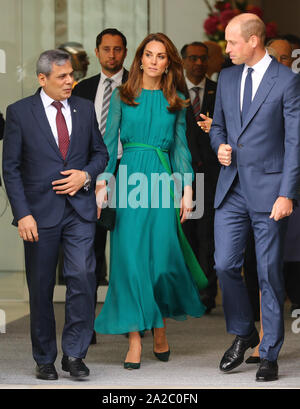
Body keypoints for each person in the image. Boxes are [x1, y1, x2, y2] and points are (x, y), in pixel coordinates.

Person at [94, 32, 207, 369]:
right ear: (140, 59)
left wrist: (187, 190)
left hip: (160, 183)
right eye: (149, 54)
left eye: (161, 56)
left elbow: (181, 149)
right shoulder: (121, 96)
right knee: (129, 262)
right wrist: (102, 183)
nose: (155, 61)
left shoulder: (177, 101)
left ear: (168, 62)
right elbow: (106, 142)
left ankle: (158, 324)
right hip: (129, 181)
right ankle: (134, 339)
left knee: (160, 262)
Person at [2, 49, 108, 380]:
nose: (70, 81)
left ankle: (74, 354)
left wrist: (85, 175)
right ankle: (45, 356)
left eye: (72, 75)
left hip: (79, 210)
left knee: (82, 278)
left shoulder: (85, 108)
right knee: (41, 286)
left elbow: (100, 153)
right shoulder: (19, 113)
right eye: (62, 76)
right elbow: (11, 169)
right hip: (38, 215)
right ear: (42, 78)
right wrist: (23, 215)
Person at [210, 13, 300, 382]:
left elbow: (295, 141)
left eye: (232, 42)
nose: (226, 49)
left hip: (270, 192)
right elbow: (217, 126)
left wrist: (287, 193)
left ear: (253, 41)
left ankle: (269, 351)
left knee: (267, 273)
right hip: (231, 188)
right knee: (224, 266)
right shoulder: (227, 77)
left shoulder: (287, 81)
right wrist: (219, 147)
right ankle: (245, 331)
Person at [73, 29, 128, 339]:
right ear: (96, 52)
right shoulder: (82, 89)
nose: (112, 55)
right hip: (91, 172)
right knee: (89, 247)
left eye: (117, 49)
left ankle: (128, 316)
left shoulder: (137, 85)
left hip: (129, 170)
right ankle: (87, 322)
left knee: (126, 247)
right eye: (106, 49)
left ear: (125, 52)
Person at [180, 41, 219, 313]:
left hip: (212, 173)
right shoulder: (172, 91)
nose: (198, 63)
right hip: (181, 174)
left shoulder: (219, 92)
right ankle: (187, 290)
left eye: (203, 58)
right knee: (185, 232)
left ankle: (207, 292)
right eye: (192, 58)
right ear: (183, 61)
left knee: (209, 235)